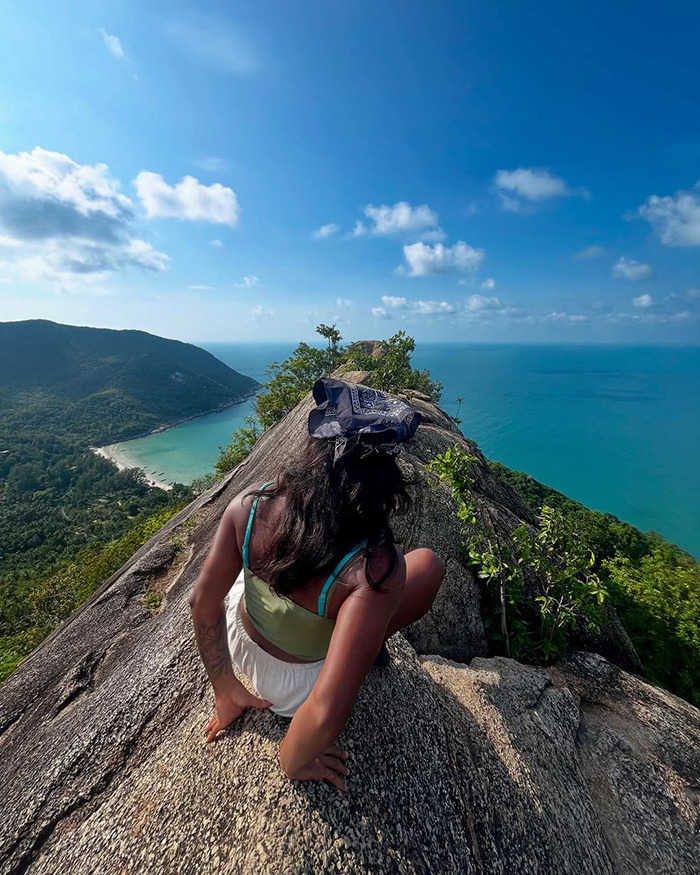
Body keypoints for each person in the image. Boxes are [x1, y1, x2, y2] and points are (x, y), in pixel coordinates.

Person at [189, 378, 445, 791]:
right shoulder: (374, 568)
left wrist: (226, 688)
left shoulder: (251, 503)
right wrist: (292, 759)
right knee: (428, 566)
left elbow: (202, 602)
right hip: (296, 691)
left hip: (242, 646)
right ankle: (362, 640)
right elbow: (325, 711)